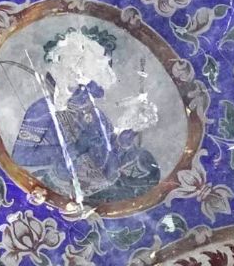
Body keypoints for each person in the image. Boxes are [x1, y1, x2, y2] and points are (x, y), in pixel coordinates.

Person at [10, 26, 162, 206]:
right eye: (90, 76)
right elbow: (20, 155)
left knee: (148, 170)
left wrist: (127, 135)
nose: (96, 86)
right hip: (65, 187)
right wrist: (75, 148)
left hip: (102, 186)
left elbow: (107, 151)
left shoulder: (92, 110)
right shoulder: (42, 109)